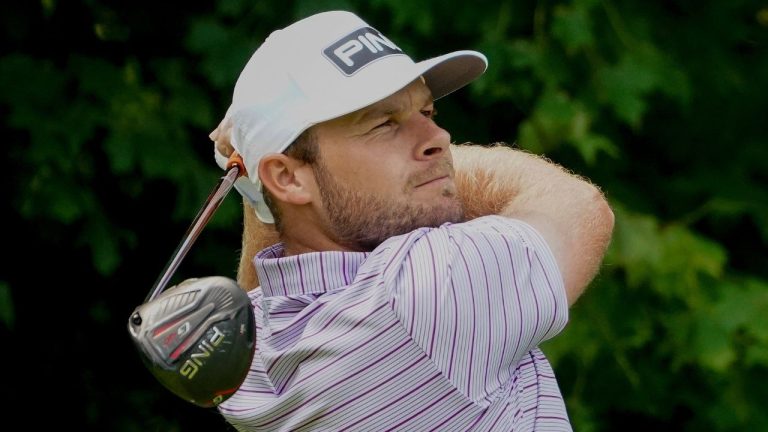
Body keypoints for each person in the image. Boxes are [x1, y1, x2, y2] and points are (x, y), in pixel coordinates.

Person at [208, 10, 614, 431]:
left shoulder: (248, 363)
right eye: (384, 124)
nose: (439, 139)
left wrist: (257, 184)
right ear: (289, 177)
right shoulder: (423, 292)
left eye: (428, 113)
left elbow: (268, 260)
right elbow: (578, 206)